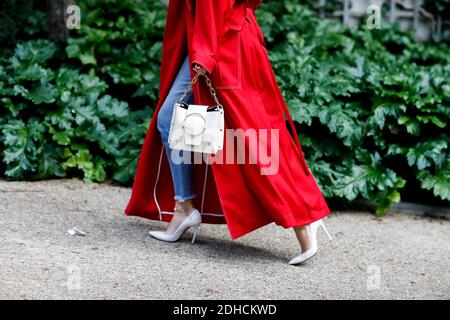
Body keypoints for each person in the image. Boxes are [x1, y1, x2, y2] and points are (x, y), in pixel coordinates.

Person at [125, 0, 333, 265]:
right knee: (173, 119)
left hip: (224, 46)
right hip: (219, 41)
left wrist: (204, 54)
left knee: (253, 138)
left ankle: (304, 218)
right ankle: (184, 207)